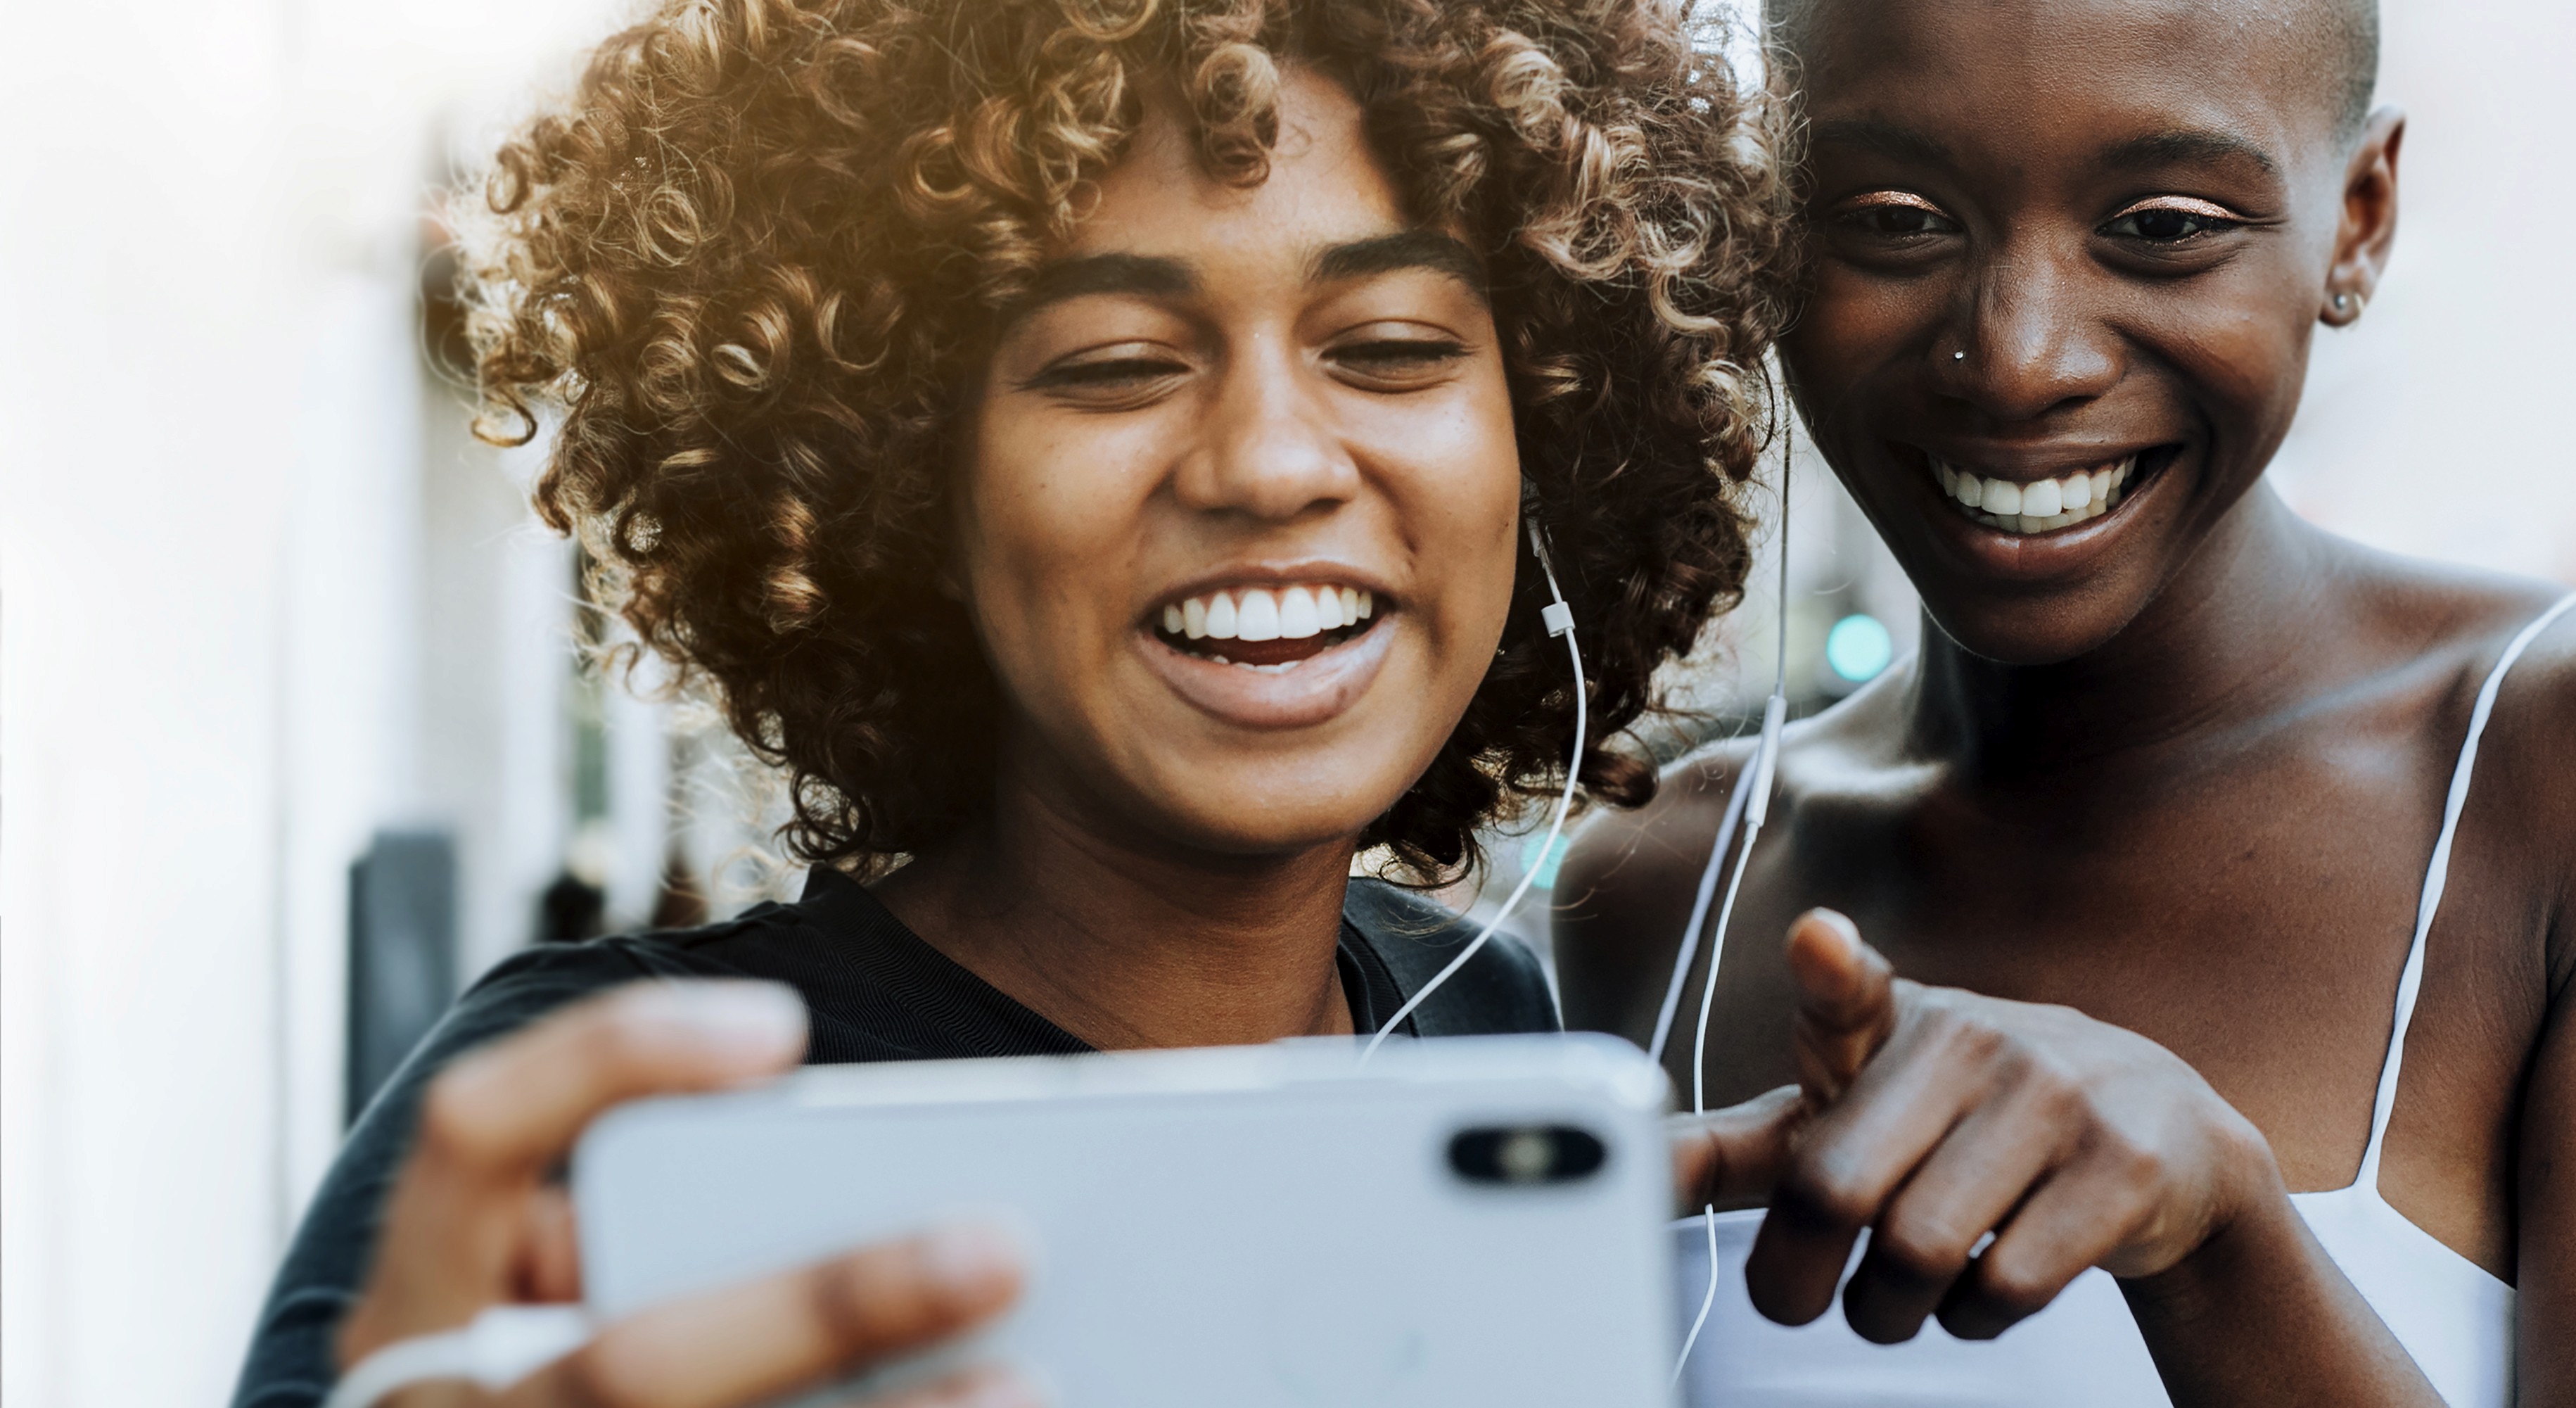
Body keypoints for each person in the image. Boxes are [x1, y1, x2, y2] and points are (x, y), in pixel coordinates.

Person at [235, 1, 1785, 1403]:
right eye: (1113, 363)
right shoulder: (605, 1111)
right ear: (906, 480)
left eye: (1387, 348)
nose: (1268, 460)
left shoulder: (1499, 1044)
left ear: (1550, 435)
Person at [1554, 0, 2576, 1402]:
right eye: (1897, 217)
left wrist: (2220, 1241)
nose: (2023, 356)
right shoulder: (1663, 885)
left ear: (2359, 219)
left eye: (2160, 225)